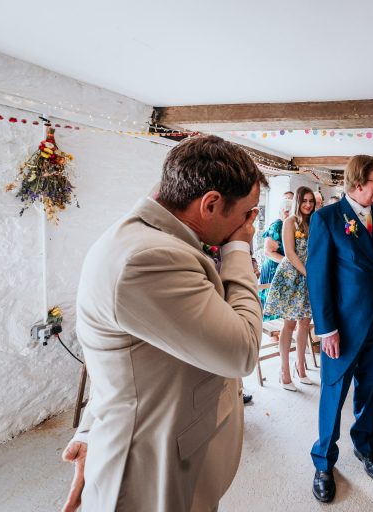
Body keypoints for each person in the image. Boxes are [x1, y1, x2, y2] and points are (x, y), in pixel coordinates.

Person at [61, 135, 266, 512]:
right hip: (150, 467)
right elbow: (243, 350)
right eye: (248, 214)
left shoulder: (164, 232)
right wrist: (239, 249)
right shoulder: (149, 257)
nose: (249, 224)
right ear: (211, 204)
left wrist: (90, 427)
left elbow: (130, 361)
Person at [306, 155, 373, 503]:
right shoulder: (326, 219)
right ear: (359, 184)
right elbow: (318, 278)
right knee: (333, 393)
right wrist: (326, 329)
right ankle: (324, 461)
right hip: (340, 328)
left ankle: (365, 446)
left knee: (370, 391)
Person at [264, 187, 316, 391]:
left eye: (311, 201)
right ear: (298, 202)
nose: (308, 205)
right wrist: (307, 274)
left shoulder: (314, 222)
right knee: (289, 325)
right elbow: (290, 253)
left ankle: (300, 366)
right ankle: (284, 370)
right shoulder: (290, 222)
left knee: (305, 323)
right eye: (305, 201)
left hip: (309, 275)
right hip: (292, 276)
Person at [259, 198, 293, 319]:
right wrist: (290, 262)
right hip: (273, 267)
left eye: (291, 211)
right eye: (286, 211)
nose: (288, 214)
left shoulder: (288, 225)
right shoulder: (277, 225)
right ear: (281, 211)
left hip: (282, 266)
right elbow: (268, 252)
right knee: (273, 300)